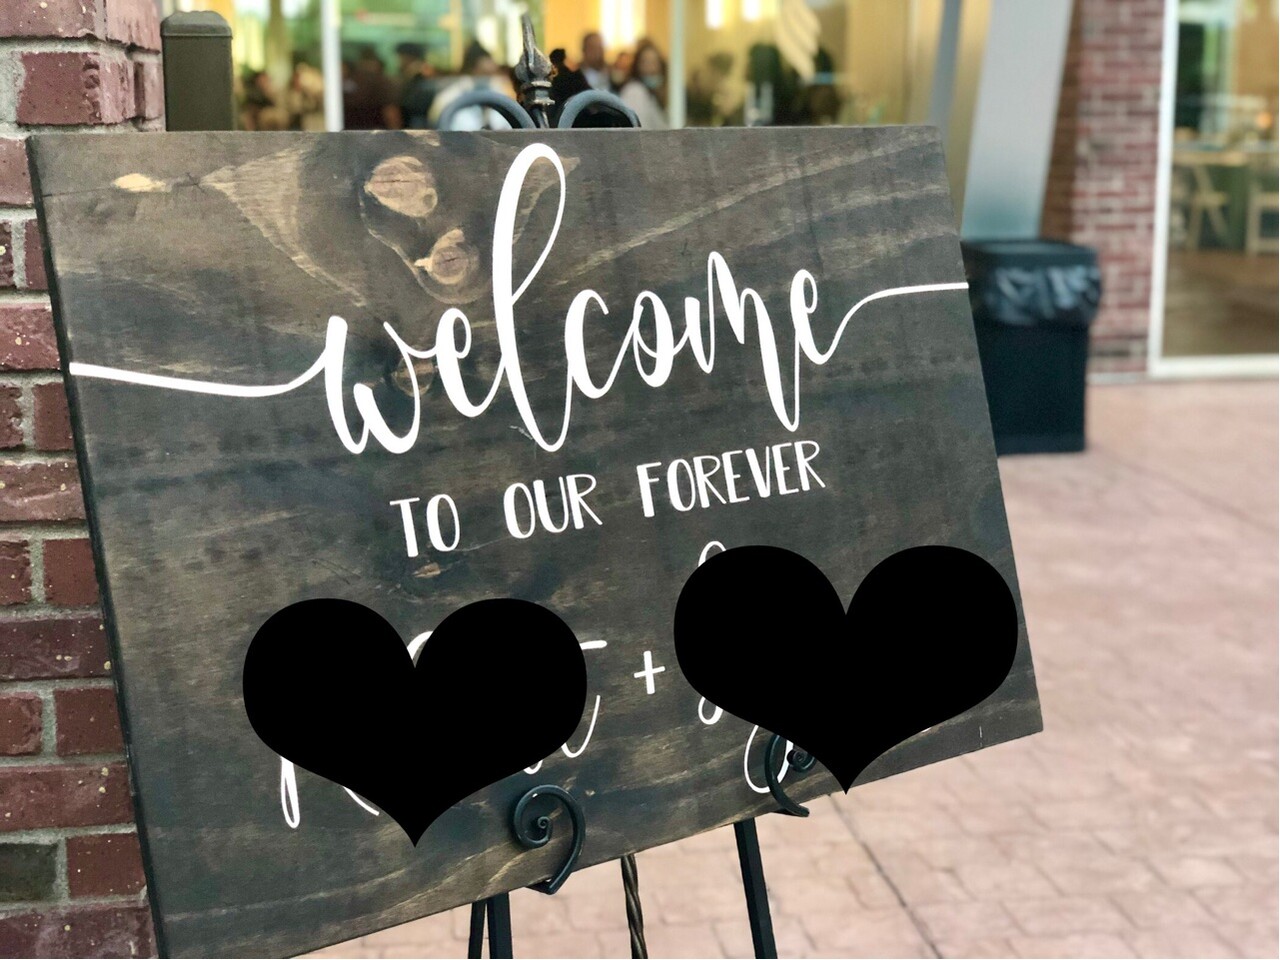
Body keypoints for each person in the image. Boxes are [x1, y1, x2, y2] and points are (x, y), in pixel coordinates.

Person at [428, 41, 516, 131]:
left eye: (491, 74)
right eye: (482, 73)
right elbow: (436, 117)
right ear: (471, 71)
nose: (486, 78)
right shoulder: (451, 96)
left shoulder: (501, 93)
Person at [344, 47, 401, 130]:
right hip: (373, 130)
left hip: (359, 130)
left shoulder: (380, 82)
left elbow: (390, 110)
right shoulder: (382, 81)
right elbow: (390, 111)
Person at [618, 39, 668, 130]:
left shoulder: (653, 95)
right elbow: (639, 130)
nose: (651, 68)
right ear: (637, 66)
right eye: (646, 63)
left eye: (655, 62)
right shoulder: (634, 91)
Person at [395, 42, 437, 129]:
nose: (400, 60)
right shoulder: (405, 71)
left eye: (402, 56)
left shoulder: (423, 70)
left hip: (419, 115)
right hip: (408, 113)